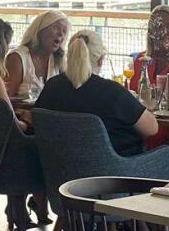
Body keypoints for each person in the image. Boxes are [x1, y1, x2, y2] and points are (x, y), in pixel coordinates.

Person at [35, 29, 159, 157]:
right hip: (115, 171)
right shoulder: (112, 92)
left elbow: (37, 121)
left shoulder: (52, 86)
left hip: (59, 169)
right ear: (101, 59)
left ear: (70, 55)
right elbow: (151, 128)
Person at [4, 9, 69, 101]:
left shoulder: (58, 60)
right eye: (56, 28)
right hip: (20, 114)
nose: (61, 33)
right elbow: (6, 100)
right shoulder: (17, 58)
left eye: (64, 31)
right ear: (40, 29)